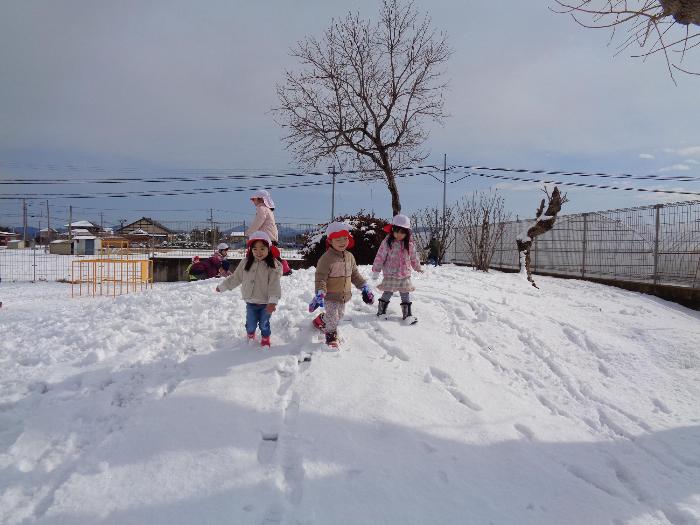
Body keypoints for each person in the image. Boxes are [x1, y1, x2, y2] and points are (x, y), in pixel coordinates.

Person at [309, 222, 374, 348]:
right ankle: (331, 336)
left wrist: (364, 287)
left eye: (345, 238)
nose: (342, 242)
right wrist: (320, 292)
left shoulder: (350, 257)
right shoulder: (326, 258)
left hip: (343, 294)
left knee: (339, 315)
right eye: (338, 239)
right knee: (333, 317)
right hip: (330, 294)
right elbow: (320, 277)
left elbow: (355, 275)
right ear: (330, 241)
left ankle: (321, 320)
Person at [216, 231, 282, 347]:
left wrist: (273, 301)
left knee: (264, 324)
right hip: (250, 302)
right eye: (255, 249)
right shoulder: (245, 263)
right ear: (250, 250)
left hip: (266, 303)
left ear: (268, 249)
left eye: (262, 248)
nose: (258, 252)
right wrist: (223, 286)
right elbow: (236, 278)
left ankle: (265, 338)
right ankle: (250, 335)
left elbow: (274, 284)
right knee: (250, 324)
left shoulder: (272, 266)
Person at [371, 214, 423, 324]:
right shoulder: (387, 243)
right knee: (388, 292)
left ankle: (407, 315)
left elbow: (413, 257)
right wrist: (376, 270)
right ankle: (381, 312)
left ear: (407, 233)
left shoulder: (409, 244)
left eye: (402, 232)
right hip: (391, 273)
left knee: (405, 293)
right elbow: (380, 257)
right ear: (392, 230)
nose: (399, 235)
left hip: (404, 274)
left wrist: (417, 267)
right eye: (397, 231)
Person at [245, 189, 292, 276]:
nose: (253, 201)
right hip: (270, 236)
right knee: (270, 255)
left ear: (260, 199)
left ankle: (284, 269)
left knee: (258, 254)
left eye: (254, 199)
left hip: (266, 237)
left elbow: (258, 222)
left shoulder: (262, 208)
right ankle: (283, 268)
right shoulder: (267, 209)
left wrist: (249, 232)